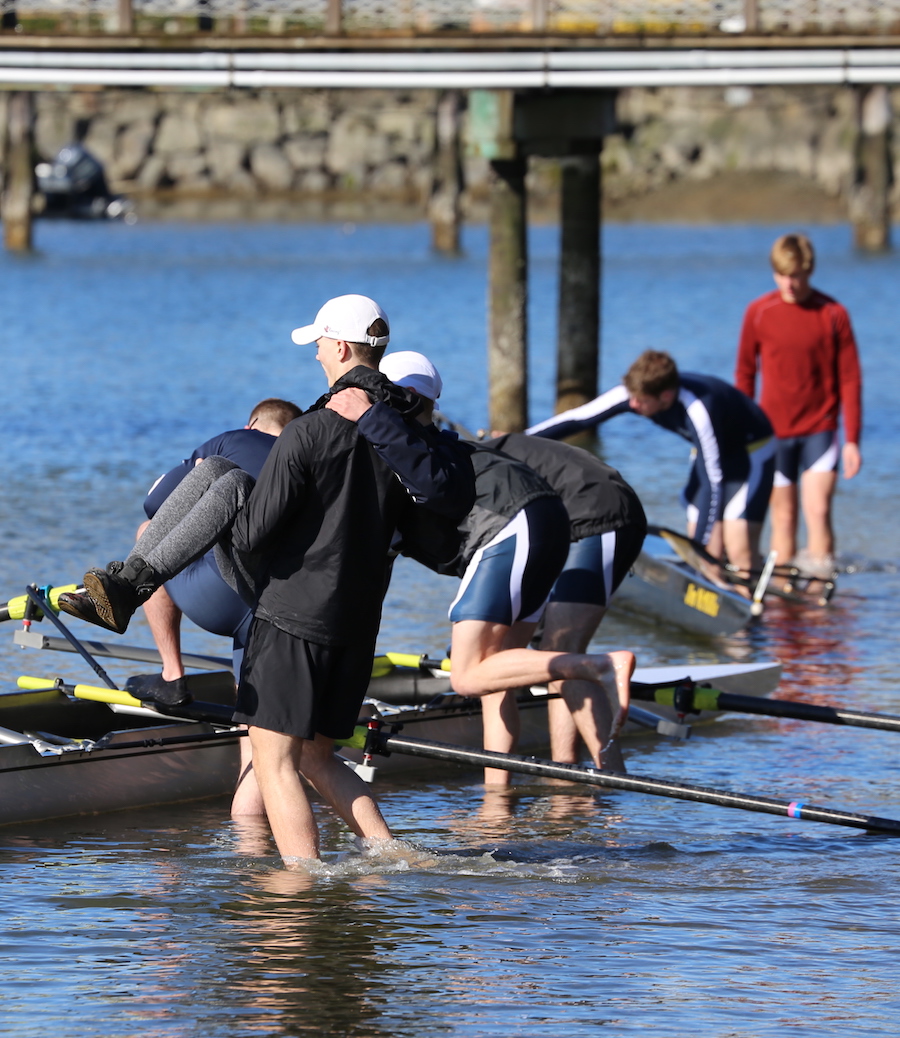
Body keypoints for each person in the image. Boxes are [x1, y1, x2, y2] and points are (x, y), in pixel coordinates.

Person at [60, 295, 476, 863]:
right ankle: (396, 860)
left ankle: (300, 889)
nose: (316, 359)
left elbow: (254, 535)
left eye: (319, 348)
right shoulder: (409, 433)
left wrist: (218, 509)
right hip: (356, 624)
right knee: (318, 757)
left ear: (337, 347)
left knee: (276, 759)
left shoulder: (307, 432)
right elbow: (449, 499)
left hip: (291, 618)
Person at [375, 352, 636, 786]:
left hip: (511, 525)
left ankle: (598, 665)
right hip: (548, 517)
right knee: (496, 676)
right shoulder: (429, 441)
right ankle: (498, 798)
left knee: (465, 674)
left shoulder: (398, 449)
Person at [526, 350, 775, 586]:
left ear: (665, 396)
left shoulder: (698, 409)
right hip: (712, 454)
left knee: (738, 539)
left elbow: (714, 481)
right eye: (631, 397)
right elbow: (576, 419)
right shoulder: (637, 392)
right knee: (699, 522)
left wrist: (702, 549)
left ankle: (745, 603)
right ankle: (709, 580)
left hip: (750, 453)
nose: (632, 404)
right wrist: (521, 439)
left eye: (640, 401)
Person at [485, 433, 647, 771]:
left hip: (598, 517)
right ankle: (565, 775)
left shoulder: (476, 467)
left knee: (562, 648)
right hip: (574, 519)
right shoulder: (486, 454)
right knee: (554, 655)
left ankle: (612, 775)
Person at [132, 397, 302, 708]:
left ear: (251, 427)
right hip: (283, 606)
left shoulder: (238, 441)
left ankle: (172, 674)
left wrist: (197, 483)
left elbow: (154, 504)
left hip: (220, 598)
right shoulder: (307, 461)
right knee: (252, 710)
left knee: (149, 533)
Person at [735, 232, 863, 577]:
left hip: (819, 430)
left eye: (795, 275)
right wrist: (743, 433)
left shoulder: (833, 314)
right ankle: (783, 597)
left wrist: (852, 439)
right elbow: (745, 375)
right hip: (773, 432)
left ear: (809, 271)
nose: (788, 283)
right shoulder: (759, 313)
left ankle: (821, 592)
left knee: (818, 510)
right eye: (781, 275)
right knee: (784, 517)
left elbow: (850, 379)